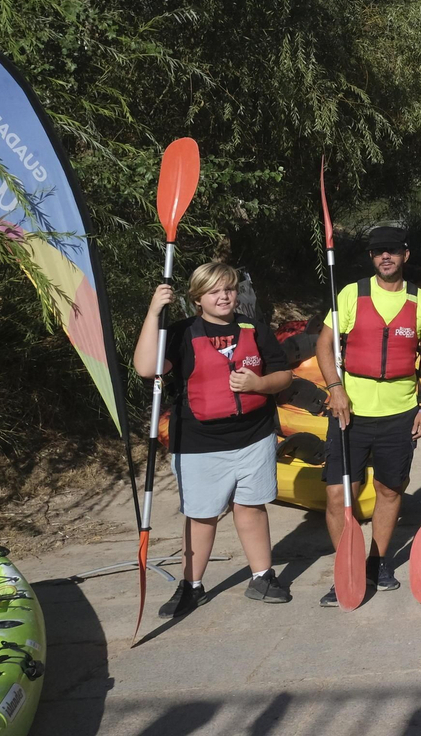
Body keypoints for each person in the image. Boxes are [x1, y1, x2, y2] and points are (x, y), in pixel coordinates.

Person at [133, 261, 294, 614]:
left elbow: (284, 376)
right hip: (199, 443)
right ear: (197, 299)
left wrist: (259, 384)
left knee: (251, 506)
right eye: (214, 291)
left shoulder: (255, 329)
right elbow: (146, 368)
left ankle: (262, 577)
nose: (223, 297)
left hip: (254, 436)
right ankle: (191, 586)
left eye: (229, 289)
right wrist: (153, 312)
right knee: (202, 514)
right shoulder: (181, 333)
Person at [316, 225, 421, 605]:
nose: (386, 257)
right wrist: (335, 389)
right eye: (378, 251)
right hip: (350, 412)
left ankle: (377, 562)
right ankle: (347, 567)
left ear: (405, 255)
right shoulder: (351, 294)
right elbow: (324, 346)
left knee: (389, 490)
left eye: (393, 250)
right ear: (371, 257)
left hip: (400, 412)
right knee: (339, 495)